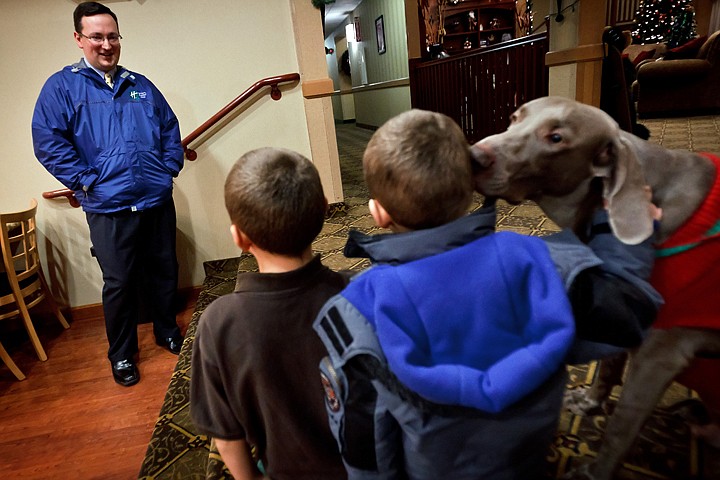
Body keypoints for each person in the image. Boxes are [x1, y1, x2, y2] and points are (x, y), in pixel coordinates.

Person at [313, 109, 576, 479]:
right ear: (472, 185)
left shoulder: (367, 298)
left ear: (378, 213)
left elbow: (365, 413)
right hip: (526, 445)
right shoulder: (528, 252)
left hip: (438, 463)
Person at [31, 2, 184, 387]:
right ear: (79, 39)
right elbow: (48, 142)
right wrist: (85, 180)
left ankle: (166, 330)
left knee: (165, 270)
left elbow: (169, 129)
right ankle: (121, 354)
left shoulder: (141, 86)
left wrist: (168, 168)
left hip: (155, 199)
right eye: (96, 36)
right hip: (109, 206)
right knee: (119, 282)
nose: (106, 44)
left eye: (112, 36)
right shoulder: (62, 87)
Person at [189, 148, 349, 480]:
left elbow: (226, 433)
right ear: (322, 213)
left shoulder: (218, 323)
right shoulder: (359, 297)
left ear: (239, 236)